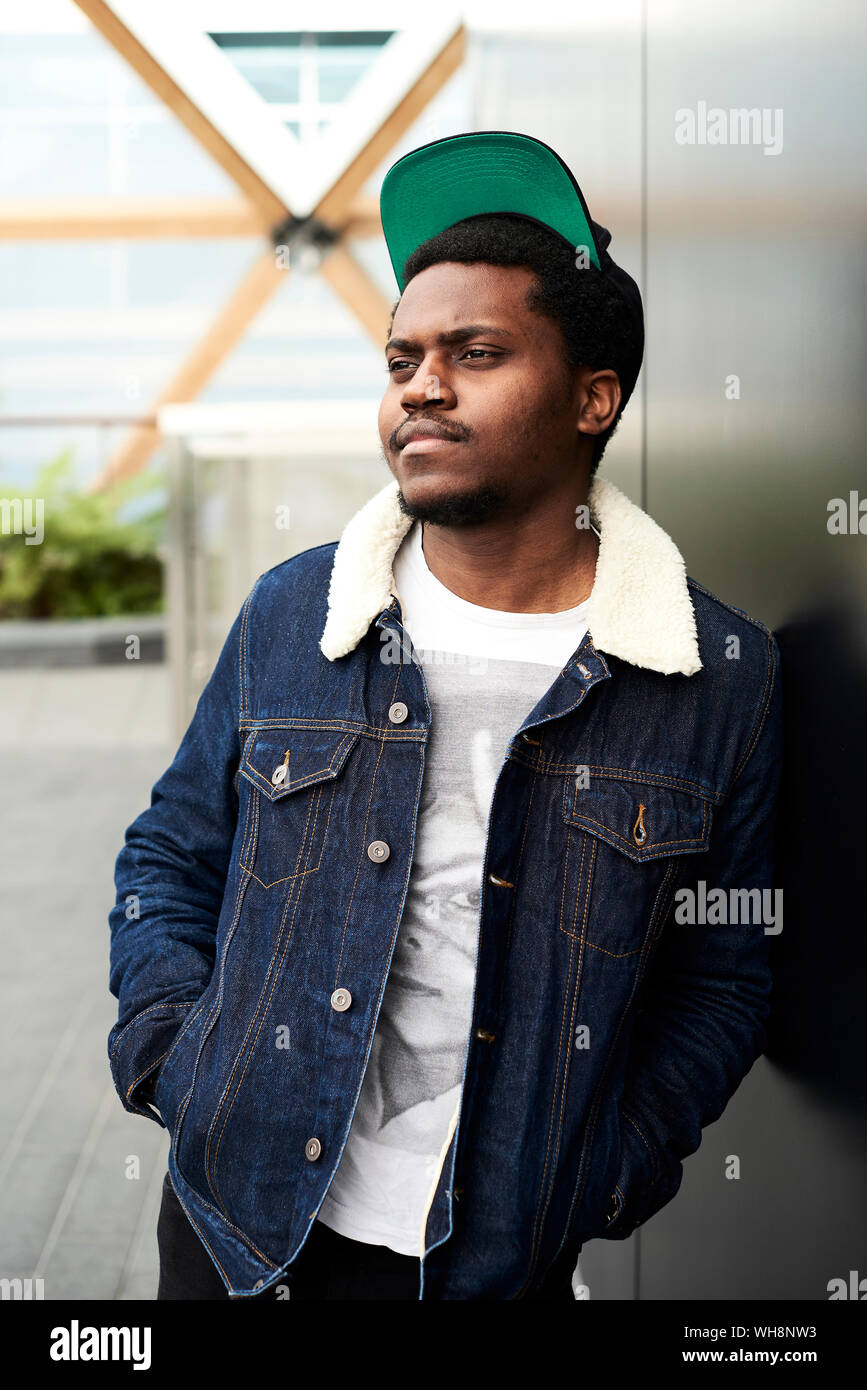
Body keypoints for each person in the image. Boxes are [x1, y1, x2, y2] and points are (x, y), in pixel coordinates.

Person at [107, 131, 783, 1301]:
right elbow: (170, 852)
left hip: (496, 1254)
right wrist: (179, 1061)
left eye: (475, 352)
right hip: (238, 1226)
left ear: (593, 397)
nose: (422, 384)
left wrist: (609, 1172)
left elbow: (726, 966)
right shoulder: (299, 611)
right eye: (402, 356)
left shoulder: (716, 673)